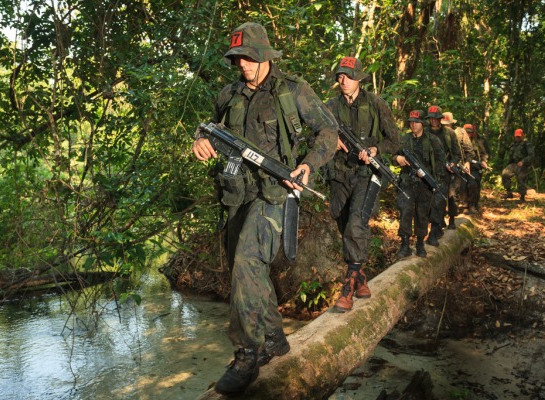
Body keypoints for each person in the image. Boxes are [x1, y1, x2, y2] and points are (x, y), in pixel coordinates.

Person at [191, 22, 338, 395]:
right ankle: (274, 337)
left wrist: (308, 165)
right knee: (245, 270)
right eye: (238, 58)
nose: (243, 64)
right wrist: (200, 140)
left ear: (265, 56)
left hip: (276, 193)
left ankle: (249, 353)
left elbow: (329, 131)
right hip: (238, 194)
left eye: (249, 57)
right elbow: (209, 128)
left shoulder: (292, 91)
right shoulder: (229, 94)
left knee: (247, 261)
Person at [324, 57, 402, 312]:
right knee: (344, 224)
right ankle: (360, 277)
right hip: (338, 175)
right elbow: (315, 132)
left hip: (366, 175)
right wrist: (330, 140)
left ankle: (347, 287)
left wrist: (375, 149)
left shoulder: (376, 104)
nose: (342, 80)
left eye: (347, 76)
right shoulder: (330, 106)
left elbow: (395, 141)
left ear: (359, 79)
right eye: (339, 76)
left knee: (356, 224)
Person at [393, 110, 446, 257]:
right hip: (407, 183)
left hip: (425, 184)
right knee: (405, 212)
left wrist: (437, 182)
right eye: (411, 122)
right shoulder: (403, 140)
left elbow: (441, 162)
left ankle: (420, 243)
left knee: (422, 214)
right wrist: (397, 158)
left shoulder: (433, 140)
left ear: (422, 123)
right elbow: (392, 156)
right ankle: (404, 244)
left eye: (416, 122)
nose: (413, 125)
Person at [426, 105, 470, 246]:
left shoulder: (449, 134)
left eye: (435, 118)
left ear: (440, 119)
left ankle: (434, 231)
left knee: (440, 201)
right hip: (426, 172)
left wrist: (452, 163)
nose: (433, 121)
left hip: (443, 173)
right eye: (430, 118)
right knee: (427, 203)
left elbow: (457, 154)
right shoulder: (424, 132)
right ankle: (437, 227)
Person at [440, 111, 474, 226]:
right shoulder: (436, 132)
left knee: (453, 194)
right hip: (440, 168)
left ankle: (452, 219)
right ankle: (440, 220)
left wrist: (468, 163)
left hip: (456, 167)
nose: (445, 127)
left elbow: (469, 150)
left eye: (447, 124)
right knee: (440, 194)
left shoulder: (460, 132)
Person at [460, 124, 490, 214]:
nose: (468, 134)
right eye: (466, 132)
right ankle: (465, 205)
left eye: (470, 132)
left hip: (475, 167)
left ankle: (472, 205)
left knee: (473, 184)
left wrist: (484, 161)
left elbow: (484, 153)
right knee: (462, 184)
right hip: (461, 166)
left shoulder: (478, 142)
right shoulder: (459, 140)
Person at [501, 128, 534, 203]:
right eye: (516, 136)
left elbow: (531, 155)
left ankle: (522, 198)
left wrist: (523, 161)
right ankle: (509, 193)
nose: (518, 138)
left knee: (521, 179)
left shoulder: (527, 143)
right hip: (514, 164)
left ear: (522, 135)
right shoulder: (514, 144)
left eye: (519, 136)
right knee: (505, 174)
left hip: (523, 165)